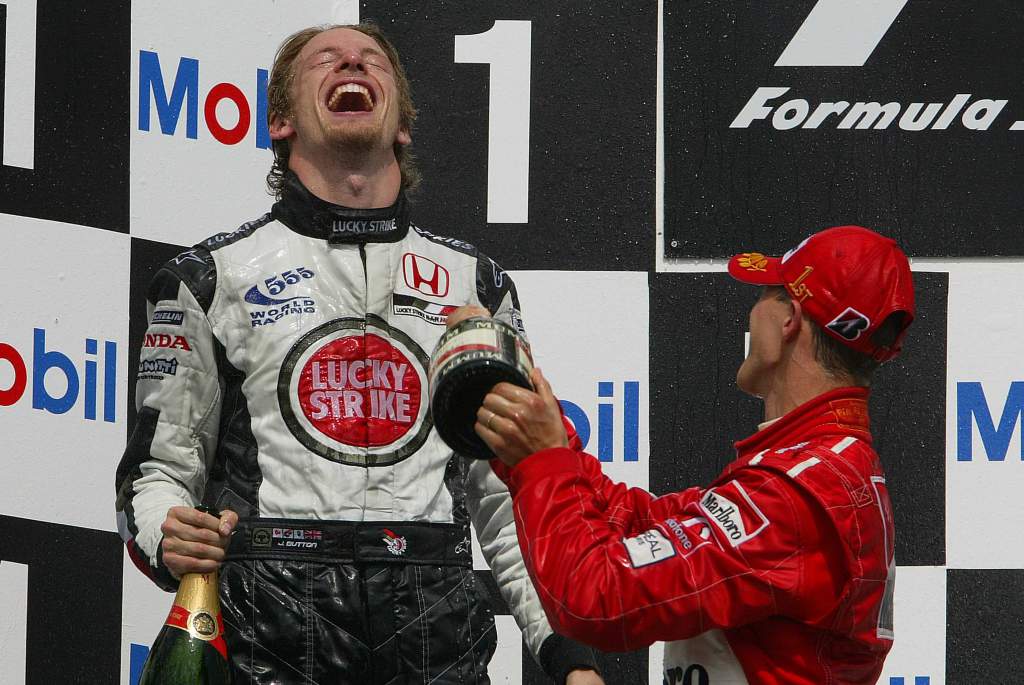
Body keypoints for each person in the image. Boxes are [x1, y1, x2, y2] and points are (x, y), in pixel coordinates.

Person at [115, 23, 602, 684]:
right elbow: (158, 471)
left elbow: (506, 497)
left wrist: (566, 654)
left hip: (436, 622)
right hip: (270, 616)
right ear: (280, 120)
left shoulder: (476, 285)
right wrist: (166, 534)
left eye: (372, 60)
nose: (352, 60)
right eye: (327, 58)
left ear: (403, 125)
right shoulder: (208, 278)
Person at [469, 225, 914, 684]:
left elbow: (596, 600)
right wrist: (531, 427)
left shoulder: (799, 494)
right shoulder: (817, 470)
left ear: (789, 321)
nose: (751, 309)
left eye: (766, 292)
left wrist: (543, 462)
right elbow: (635, 521)